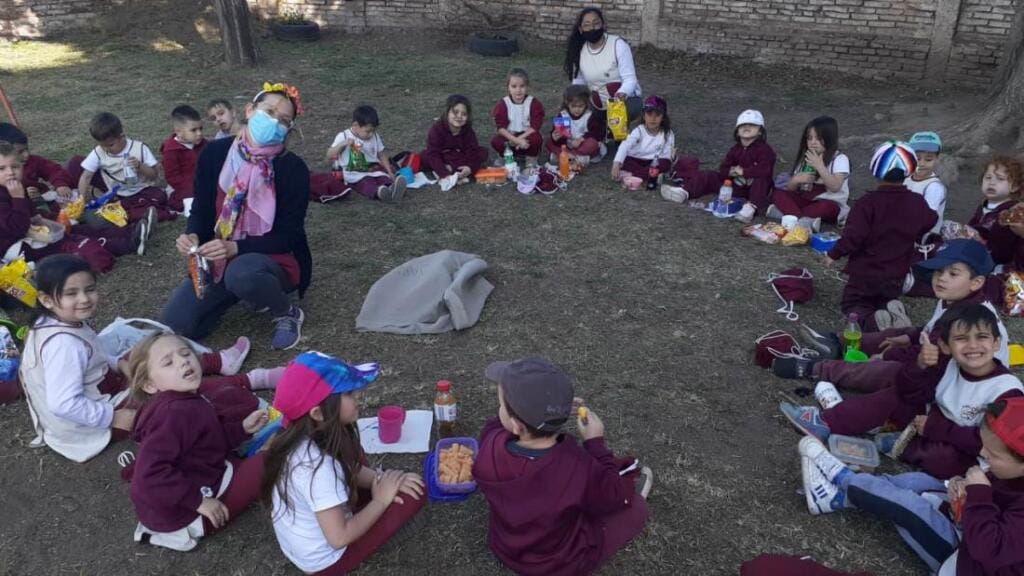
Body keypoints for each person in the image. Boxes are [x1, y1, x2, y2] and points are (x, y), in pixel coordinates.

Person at [18, 255, 260, 463]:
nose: (84, 299)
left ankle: (218, 362)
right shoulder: (64, 345)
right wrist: (113, 417)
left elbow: (91, 355)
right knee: (172, 388)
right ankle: (249, 380)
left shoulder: (55, 322)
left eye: (89, 289)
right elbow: (62, 404)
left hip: (102, 391)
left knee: (155, 355)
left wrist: (119, 364)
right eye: (72, 293)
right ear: (46, 300)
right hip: (94, 422)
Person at [781, 303, 1023, 479]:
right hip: (932, 422)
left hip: (975, 451)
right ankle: (826, 422)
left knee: (944, 460)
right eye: (961, 339)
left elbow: (997, 444)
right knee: (894, 396)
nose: (972, 346)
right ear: (945, 346)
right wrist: (919, 365)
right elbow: (910, 392)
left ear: (997, 343)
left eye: (982, 337)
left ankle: (905, 446)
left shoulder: (1007, 392)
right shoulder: (949, 364)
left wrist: (936, 428)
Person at [796, 396, 1024, 575]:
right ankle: (837, 498)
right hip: (966, 523)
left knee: (910, 506)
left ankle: (842, 477)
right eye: (984, 446)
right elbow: (994, 498)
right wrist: (960, 484)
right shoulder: (1012, 473)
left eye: (993, 454)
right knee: (919, 481)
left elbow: (990, 550)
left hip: (964, 560)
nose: (983, 454)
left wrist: (980, 495)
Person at [160, 82, 311, 350]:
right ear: (250, 110)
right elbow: (202, 209)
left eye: (283, 120)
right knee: (175, 326)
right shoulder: (215, 153)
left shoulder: (292, 168)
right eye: (269, 112)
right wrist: (192, 234)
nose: (274, 122)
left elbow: (289, 236)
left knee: (243, 273)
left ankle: (286, 312)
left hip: (273, 258)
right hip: (220, 258)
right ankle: (236, 293)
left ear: (288, 129)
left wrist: (236, 247)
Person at [474, 356, 653, 576]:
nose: (499, 410)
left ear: (516, 425)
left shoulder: (490, 443)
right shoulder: (577, 466)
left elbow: (496, 426)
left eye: (501, 405)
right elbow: (612, 494)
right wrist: (595, 443)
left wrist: (540, 412)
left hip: (505, 545)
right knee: (636, 508)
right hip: (556, 563)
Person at [262, 351, 425, 575]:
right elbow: (339, 538)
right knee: (414, 495)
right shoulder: (317, 469)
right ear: (318, 413)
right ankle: (383, 531)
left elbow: (349, 468)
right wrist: (380, 500)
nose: (358, 395)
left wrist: (381, 479)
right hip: (327, 561)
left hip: (308, 538)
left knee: (371, 465)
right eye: (348, 393)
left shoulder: (301, 435)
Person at [780, 240, 1010, 392]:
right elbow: (930, 332)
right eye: (939, 271)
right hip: (935, 363)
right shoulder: (956, 298)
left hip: (949, 384)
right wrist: (909, 336)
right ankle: (835, 343)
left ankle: (817, 369)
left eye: (953, 274)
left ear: (976, 282)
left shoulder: (970, 317)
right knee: (896, 334)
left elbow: (930, 357)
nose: (941, 278)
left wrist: (887, 356)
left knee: (890, 370)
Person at [126, 332, 283, 551]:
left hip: (199, 476)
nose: (183, 361)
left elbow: (207, 439)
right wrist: (198, 502)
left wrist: (241, 429)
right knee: (273, 459)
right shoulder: (173, 414)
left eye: (185, 353)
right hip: (188, 513)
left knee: (261, 440)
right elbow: (148, 475)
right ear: (150, 385)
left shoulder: (186, 398)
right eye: (168, 363)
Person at [823, 141, 936, 332]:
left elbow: (854, 235)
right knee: (885, 299)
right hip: (897, 273)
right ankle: (892, 309)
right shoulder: (917, 202)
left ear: (875, 171)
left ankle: (874, 321)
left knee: (854, 304)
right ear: (909, 171)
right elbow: (930, 220)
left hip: (865, 273)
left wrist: (834, 254)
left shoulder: (867, 203)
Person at [0, 142, 148, 273]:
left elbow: (33, 215)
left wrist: (56, 219)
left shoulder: (15, 187)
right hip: (18, 247)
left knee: (79, 229)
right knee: (72, 243)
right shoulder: (12, 193)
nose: (10, 172)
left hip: (33, 232)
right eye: (2, 168)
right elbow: (17, 228)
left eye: (15, 166)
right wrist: (18, 198)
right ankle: (124, 246)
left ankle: (131, 233)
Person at [665, 109, 777, 222]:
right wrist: (730, 171)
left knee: (761, 180)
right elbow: (723, 168)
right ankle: (684, 192)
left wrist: (744, 172)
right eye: (743, 125)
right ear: (737, 132)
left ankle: (750, 208)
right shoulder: (735, 149)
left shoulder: (765, 150)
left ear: (760, 131)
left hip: (755, 189)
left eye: (752, 125)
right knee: (709, 175)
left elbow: (765, 169)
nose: (747, 127)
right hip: (735, 185)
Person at [70, 112, 174, 223]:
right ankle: (130, 212)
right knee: (75, 162)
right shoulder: (99, 152)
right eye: (102, 145)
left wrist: (140, 166)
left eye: (110, 145)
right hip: (117, 193)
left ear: (122, 137)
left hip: (142, 190)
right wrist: (80, 200)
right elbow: (86, 176)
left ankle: (142, 212)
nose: (106, 149)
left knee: (158, 196)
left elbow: (153, 175)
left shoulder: (139, 148)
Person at [564, 7, 643, 136]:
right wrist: (574, 98)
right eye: (587, 25)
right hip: (596, 100)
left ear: (604, 25)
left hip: (625, 99)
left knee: (619, 115)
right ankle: (595, 132)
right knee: (578, 112)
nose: (592, 28)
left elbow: (630, 79)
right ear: (581, 29)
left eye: (596, 23)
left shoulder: (618, 44)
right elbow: (578, 82)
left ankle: (619, 134)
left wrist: (621, 95)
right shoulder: (578, 50)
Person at [767, 116, 851, 227]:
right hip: (805, 201)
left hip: (828, 203)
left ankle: (787, 215)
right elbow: (792, 189)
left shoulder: (839, 159)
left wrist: (819, 166)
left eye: (819, 138)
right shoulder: (806, 157)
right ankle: (802, 221)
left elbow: (835, 187)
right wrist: (796, 180)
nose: (813, 142)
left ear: (830, 138)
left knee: (826, 207)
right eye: (809, 138)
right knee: (777, 193)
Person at [325, 105, 406, 202]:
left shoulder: (374, 136)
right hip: (355, 174)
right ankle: (379, 193)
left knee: (384, 178)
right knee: (367, 183)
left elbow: (381, 153)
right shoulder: (344, 136)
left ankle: (392, 189)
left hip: (374, 169)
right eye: (368, 131)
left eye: (373, 131)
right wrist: (342, 144)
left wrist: (389, 171)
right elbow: (329, 154)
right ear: (355, 125)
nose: (371, 134)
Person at [421, 94, 488, 192]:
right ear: (447, 112)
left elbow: (472, 150)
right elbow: (433, 153)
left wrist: (470, 168)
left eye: (464, 114)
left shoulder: (467, 131)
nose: (459, 116)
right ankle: (446, 171)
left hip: (458, 156)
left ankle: (453, 169)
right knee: (426, 156)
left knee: (482, 152)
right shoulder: (437, 129)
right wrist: (444, 174)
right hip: (442, 156)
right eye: (455, 112)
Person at [967, 155, 1022, 268]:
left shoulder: (1012, 212)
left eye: (1000, 179)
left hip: (998, 261)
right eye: (988, 177)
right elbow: (973, 224)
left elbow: (1004, 245)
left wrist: (982, 241)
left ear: (1014, 187)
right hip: (976, 250)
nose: (992, 183)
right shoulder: (984, 205)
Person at [0, 122, 74, 200]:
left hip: (42, 197)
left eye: (27, 149)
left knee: (76, 162)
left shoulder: (33, 161)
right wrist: (24, 195)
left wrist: (60, 184)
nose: (26, 154)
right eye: (20, 152)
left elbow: (54, 170)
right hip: (18, 204)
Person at [610, 96, 674, 184]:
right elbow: (626, 145)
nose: (653, 119)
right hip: (636, 159)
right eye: (649, 115)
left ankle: (632, 174)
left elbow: (667, 155)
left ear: (663, 117)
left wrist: (664, 161)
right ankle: (651, 176)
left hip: (654, 162)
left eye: (657, 115)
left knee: (665, 163)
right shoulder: (639, 130)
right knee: (625, 160)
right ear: (644, 116)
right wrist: (616, 163)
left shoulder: (667, 133)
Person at [491, 68, 545, 161]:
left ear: (527, 86)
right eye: (514, 86)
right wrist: (515, 140)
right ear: (508, 87)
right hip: (510, 135)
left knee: (537, 139)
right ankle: (506, 156)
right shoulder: (503, 104)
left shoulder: (533, 103)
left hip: (526, 135)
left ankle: (530, 158)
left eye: (522, 86)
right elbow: (501, 128)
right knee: (496, 141)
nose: (518, 90)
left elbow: (535, 127)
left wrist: (519, 139)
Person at [161, 105, 208, 213]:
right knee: (187, 203)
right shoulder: (171, 150)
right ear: (179, 131)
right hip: (184, 187)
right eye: (193, 130)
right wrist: (193, 187)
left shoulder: (204, 144)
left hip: (204, 182)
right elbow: (173, 177)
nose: (199, 133)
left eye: (201, 129)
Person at [545, 85, 605, 165]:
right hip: (568, 144)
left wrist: (581, 139)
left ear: (586, 104)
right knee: (549, 142)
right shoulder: (563, 115)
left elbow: (597, 133)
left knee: (592, 143)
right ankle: (576, 158)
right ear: (567, 104)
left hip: (584, 143)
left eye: (580, 106)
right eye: (573, 106)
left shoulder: (589, 115)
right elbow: (561, 139)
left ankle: (565, 157)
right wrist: (556, 137)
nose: (577, 109)